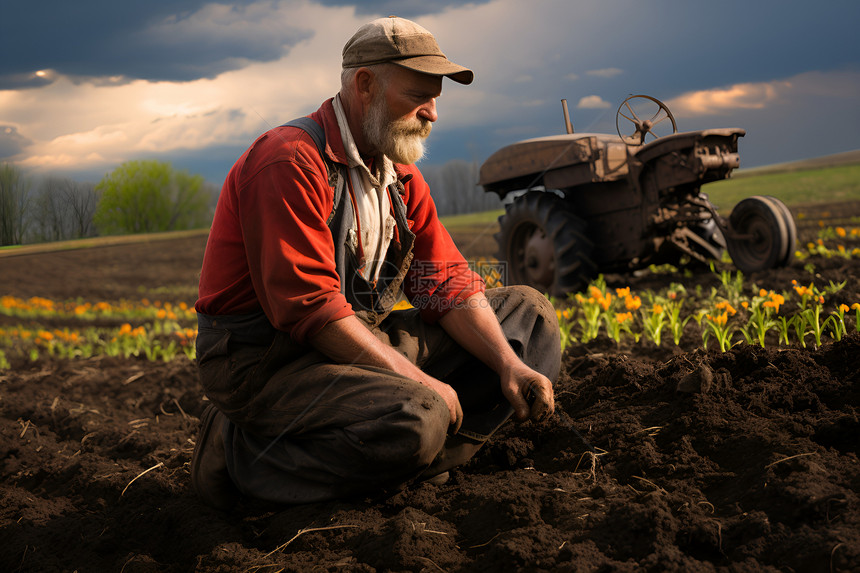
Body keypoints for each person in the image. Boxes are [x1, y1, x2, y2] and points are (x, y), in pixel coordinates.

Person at [191, 16, 560, 510]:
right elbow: (310, 310)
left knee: (528, 314)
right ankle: (241, 454)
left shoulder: (399, 175)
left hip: (352, 344)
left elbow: (443, 282)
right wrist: (421, 381)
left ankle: (416, 464)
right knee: (418, 415)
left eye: (436, 99)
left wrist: (509, 364)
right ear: (365, 85)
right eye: (417, 97)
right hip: (268, 367)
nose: (432, 113)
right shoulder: (290, 161)